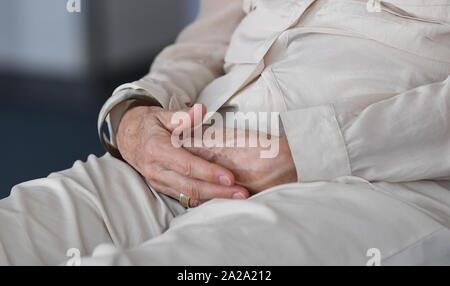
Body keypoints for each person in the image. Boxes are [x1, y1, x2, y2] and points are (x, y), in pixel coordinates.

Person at [1, 0, 449, 266]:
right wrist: (136, 111)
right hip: (191, 150)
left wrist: (308, 151)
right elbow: (205, 44)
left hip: (381, 182)